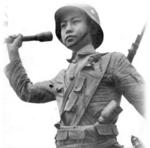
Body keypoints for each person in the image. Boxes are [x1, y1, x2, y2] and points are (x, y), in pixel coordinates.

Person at [5, 4, 145, 148]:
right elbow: (27, 92)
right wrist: (13, 54)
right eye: (63, 25)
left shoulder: (113, 61)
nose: (68, 29)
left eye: (75, 21)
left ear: (92, 27)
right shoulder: (62, 77)